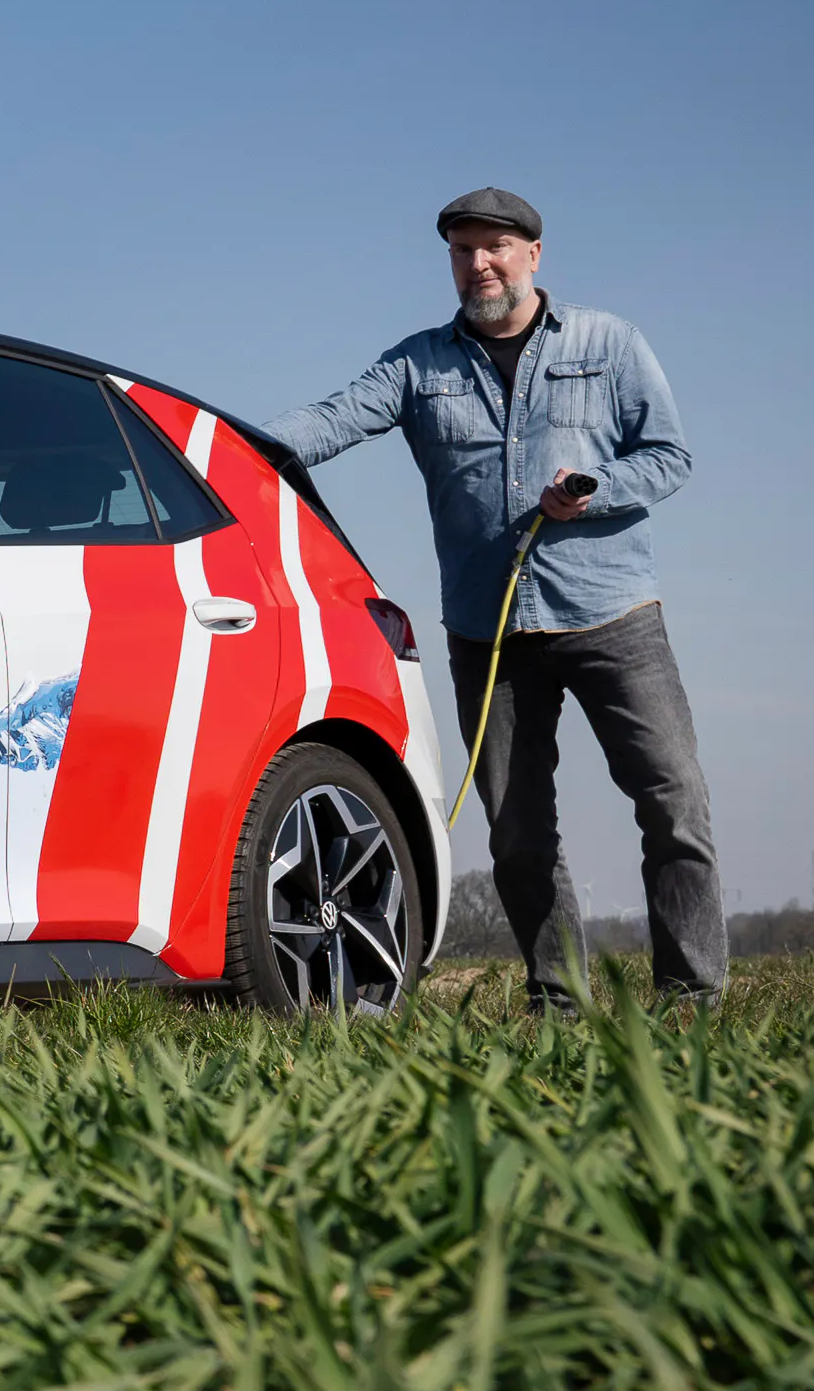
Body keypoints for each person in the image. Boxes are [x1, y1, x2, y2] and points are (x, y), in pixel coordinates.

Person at [268, 188, 715, 1011]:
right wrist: (220, 442)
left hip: (613, 614)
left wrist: (598, 487)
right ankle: (558, 998)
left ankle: (689, 995)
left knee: (672, 798)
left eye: (494, 248)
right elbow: (330, 420)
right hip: (489, 630)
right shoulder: (415, 364)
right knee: (514, 831)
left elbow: (669, 455)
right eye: (461, 250)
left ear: (533, 255)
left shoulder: (608, 342)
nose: (477, 264)